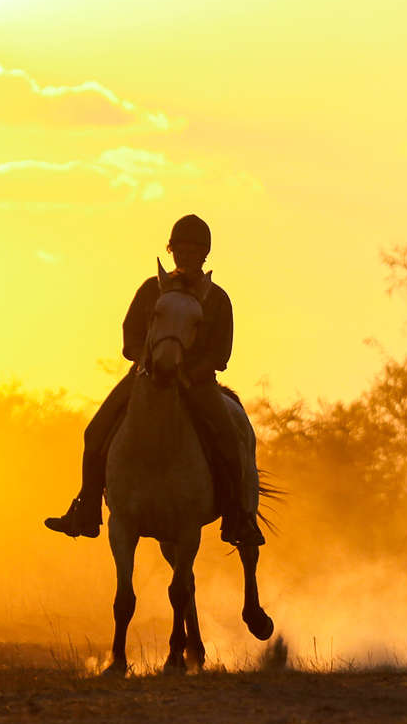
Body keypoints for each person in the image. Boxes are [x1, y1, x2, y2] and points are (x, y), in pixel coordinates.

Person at [44, 214, 264, 545]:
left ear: (205, 255)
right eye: (181, 249)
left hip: (197, 383)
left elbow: (220, 353)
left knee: (231, 442)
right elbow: (130, 336)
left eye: (195, 251)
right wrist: (145, 361)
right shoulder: (151, 290)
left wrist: (190, 373)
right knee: (94, 432)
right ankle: (87, 509)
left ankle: (237, 517)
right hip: (146, 378)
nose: (186, 256)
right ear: (172, 250)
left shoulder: (217, 299)